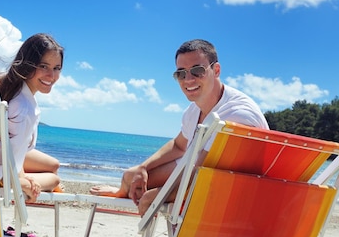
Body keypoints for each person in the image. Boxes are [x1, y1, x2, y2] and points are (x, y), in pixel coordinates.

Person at [90, 39, 269, 215]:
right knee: (131, 177)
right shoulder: (194, 110)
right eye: (181, 74)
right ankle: (123, 190)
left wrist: (160, 195)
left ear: (216, 70)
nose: (188, 79)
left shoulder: (236, 116)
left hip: (231, 196)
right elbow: (178, 146)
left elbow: (203, 178)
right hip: (205, 179)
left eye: (197, 71)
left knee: (148, 191)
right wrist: (142, 168)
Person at [0, 33, 63, 202]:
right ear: (28, 64)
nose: (51, 76)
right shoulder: (24, 108)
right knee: (54, 179)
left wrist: (23, 175)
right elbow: (10, 160)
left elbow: (13, 151)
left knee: (53, 165)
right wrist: (22, 182)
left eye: (56, 68)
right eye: (44, 66)